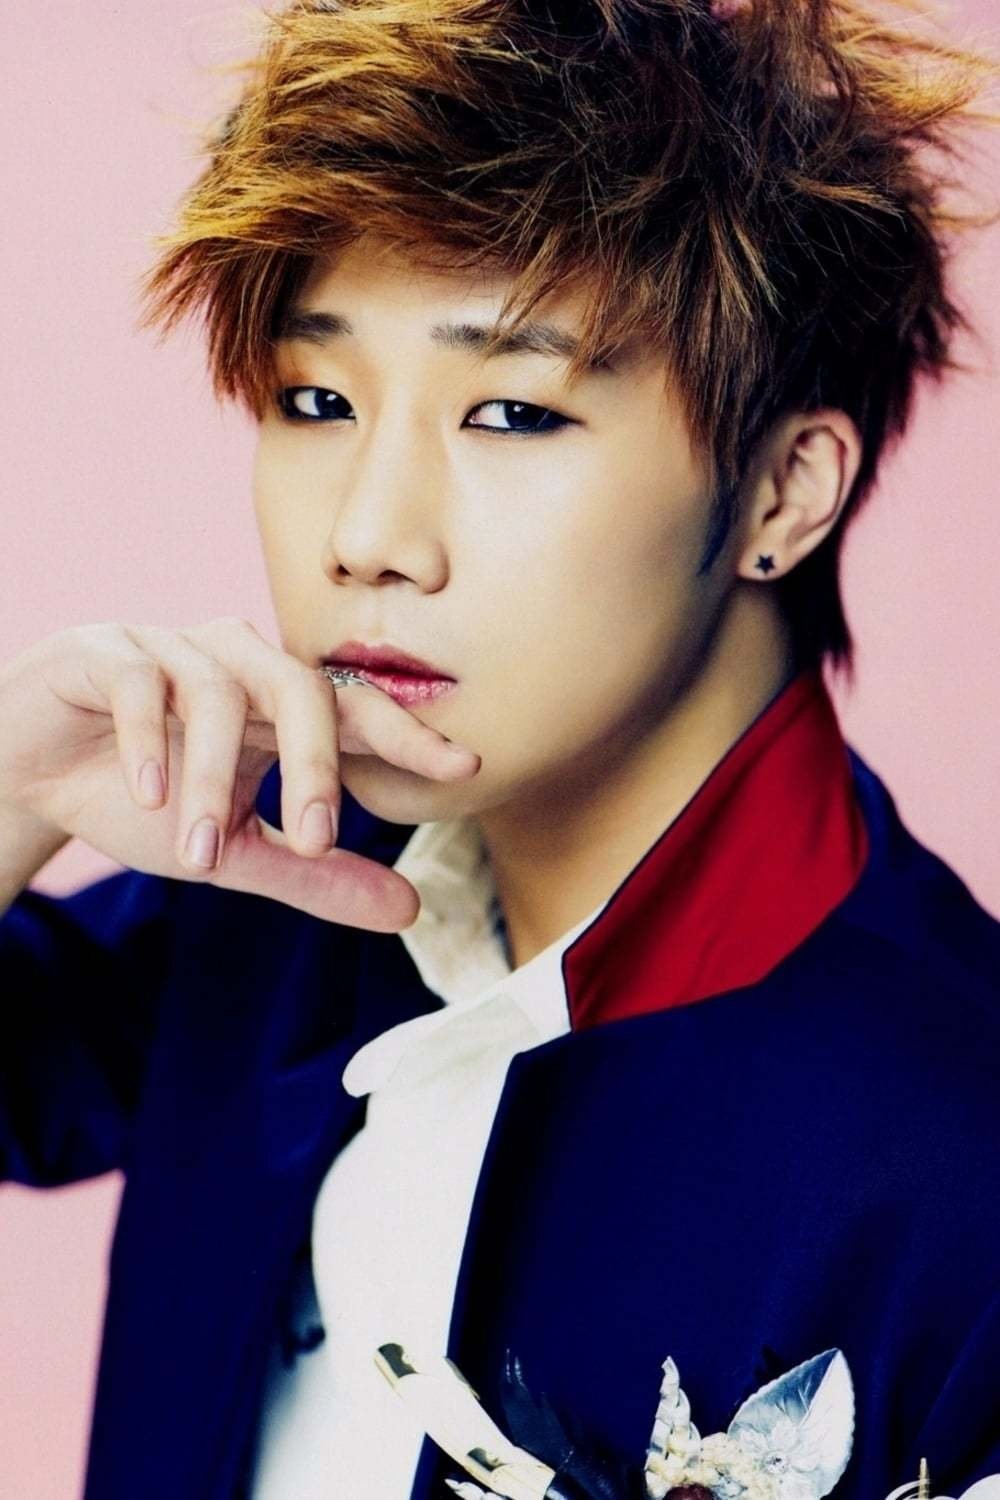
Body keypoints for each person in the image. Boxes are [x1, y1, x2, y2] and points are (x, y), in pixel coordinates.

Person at [1, 0, 999, 1497]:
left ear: (784, 492)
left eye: (515, 413)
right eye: (317, 400)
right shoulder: (270, 877)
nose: (367, 537)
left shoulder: (960, 1161)